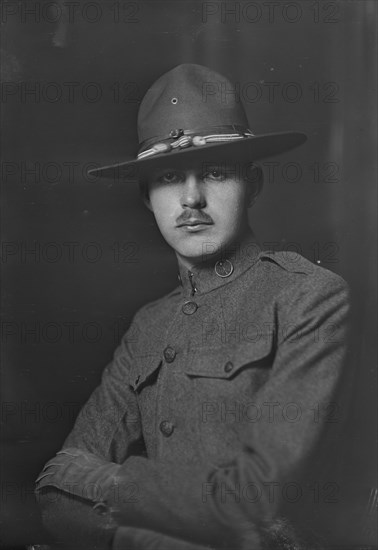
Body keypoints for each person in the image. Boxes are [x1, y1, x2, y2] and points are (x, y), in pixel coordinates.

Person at [35, 64, 350, 550]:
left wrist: (112, 487)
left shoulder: (308, 297)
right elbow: (54, 490)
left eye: (217, 172)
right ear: (147, 197)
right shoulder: (149, 325)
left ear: (254, 183)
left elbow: (252, 497)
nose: (191, 199)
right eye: (167, 177)